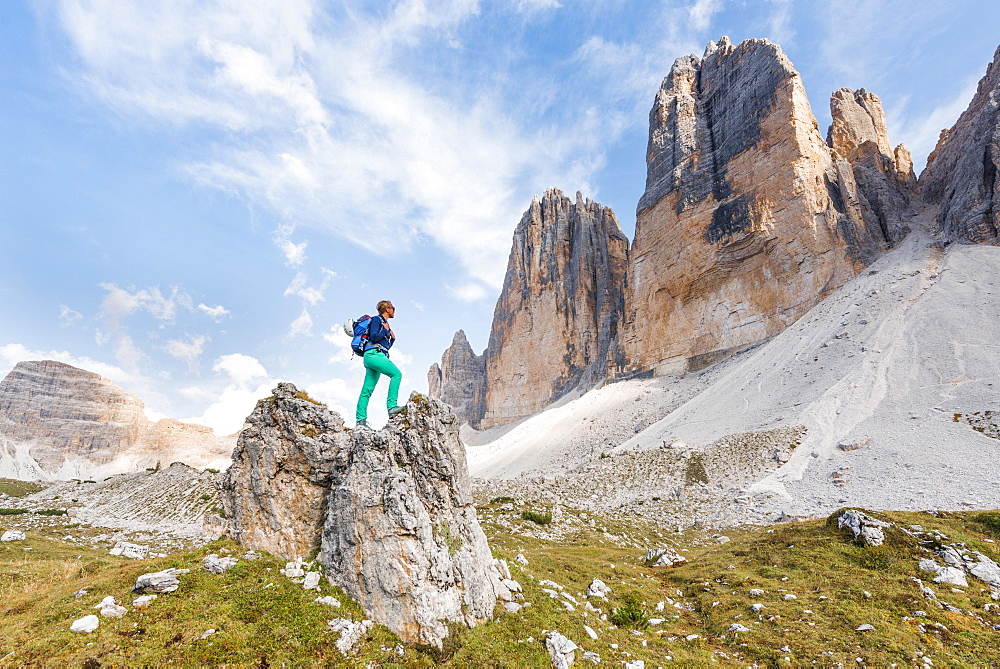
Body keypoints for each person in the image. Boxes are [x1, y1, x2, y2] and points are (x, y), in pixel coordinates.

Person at [355, 300, 403, 428]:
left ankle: (361, 421)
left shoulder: (385, 324)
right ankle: (392, 407)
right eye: (393, 308)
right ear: (387, 309)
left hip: (374, 355)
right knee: (397, 374)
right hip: (373, 354)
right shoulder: (377, 320)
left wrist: (392, 338)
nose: (394, 310)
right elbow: (374, 337)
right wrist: (385, 331)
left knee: (367, 390)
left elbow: (385, 346)